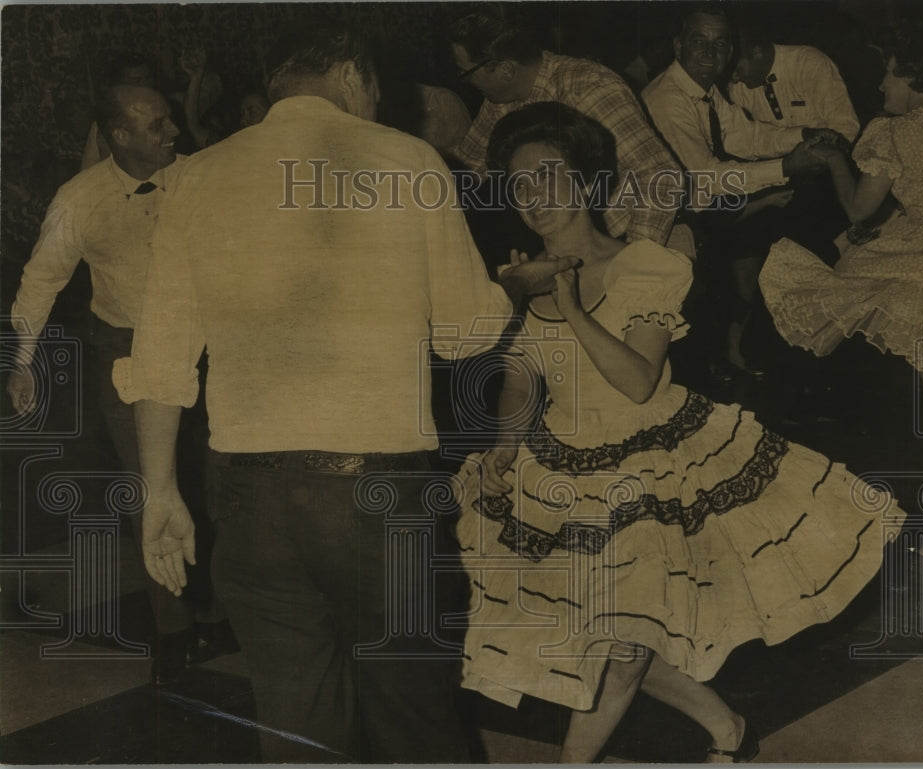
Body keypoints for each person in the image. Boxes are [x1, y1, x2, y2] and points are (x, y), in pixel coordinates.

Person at [112, 21, 578, 764]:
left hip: (249, 500)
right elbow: (465, 335)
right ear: (356, 79)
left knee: (299, 728)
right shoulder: (406, 158)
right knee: (416, 720)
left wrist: (160, 496)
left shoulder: (195, 176)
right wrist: (506, 289)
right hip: (377, 496)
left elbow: (161, 356)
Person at [450, 101, 905, 763]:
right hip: (562, 473)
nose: (535, 197)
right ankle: (726, 728)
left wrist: (572, 307)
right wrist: (500, 447)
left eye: (550, 176)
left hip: (651, 468)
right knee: (607, 634)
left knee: (626, 646)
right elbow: (520, 381)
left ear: (588, 181)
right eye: (520, 184)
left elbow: (637, 379)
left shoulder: (647, 264)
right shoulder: (522, 280)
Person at [8, 84, 236, 683]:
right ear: (119, 136)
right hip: (126, 351)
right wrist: (22, 361)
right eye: (157, 124)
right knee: (148, 488)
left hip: (210, 349)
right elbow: (39, 282)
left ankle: (218, 613)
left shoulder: (201, 178)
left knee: (219, 484)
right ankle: (173, 629)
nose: (173, 133)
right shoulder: (79, 199)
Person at [760, 30, 923, 564]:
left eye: (890, 72)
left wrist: (838, 162)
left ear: (914, 77)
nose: (882, 83)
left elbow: (859, 210)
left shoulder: (890, 131)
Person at [641, 4, 833, 377]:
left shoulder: (706, 90)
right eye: (699, 41)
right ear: (678, 46)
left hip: (703, 208)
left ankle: (738, 353)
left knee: (771, 238)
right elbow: (707, 178)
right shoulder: (668, 98)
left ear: (730, 52)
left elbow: (747, 136)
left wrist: (802, 135)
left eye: (720, 43)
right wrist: (785, 168)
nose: (710, 52)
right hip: (670, 220)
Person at [448, 4, 686, 249]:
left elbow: (662, 177)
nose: (465, 83)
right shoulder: (499, 102)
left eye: (466, 74)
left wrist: (629, 262)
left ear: (506, 70)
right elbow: (466, 170)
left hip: (635, 237)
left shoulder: (587, 89)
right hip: (576, 245)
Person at [728, 24, 860, 144]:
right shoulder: (737, 89)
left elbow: (845, 127)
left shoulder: (808, 63)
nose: (734, 79)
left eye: (738, 70)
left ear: (757, 52)